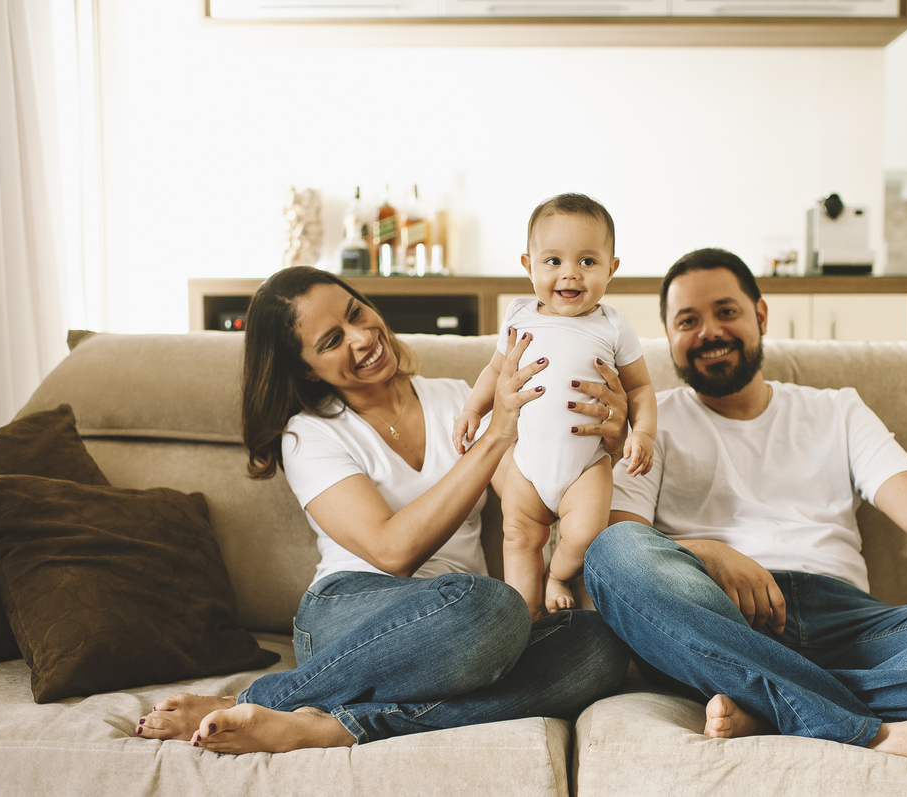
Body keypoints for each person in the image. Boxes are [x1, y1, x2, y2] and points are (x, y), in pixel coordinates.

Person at [582, 248, 907, 776]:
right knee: (609, 553)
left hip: (852, 627)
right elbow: (626, 542)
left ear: (760, 314)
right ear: (668, 336)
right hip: (718, 621)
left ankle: (775, 704)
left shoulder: (836, 409)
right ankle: (871, 730)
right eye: (688, 321)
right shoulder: (653, 425)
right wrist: (707, 554)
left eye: (726, 311)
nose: (710, 331)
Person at [135, 266, 630, 754]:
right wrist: (497, 433)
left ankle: (337, 727)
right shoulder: (308, 433)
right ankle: (263, 699)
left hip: (460, 637)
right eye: (331, 341)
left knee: (599, 647)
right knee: (494, 607)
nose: (361, 337)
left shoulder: (456, 399)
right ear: (306, 368)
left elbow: (536, 500)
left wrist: (596, 447)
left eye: (356, 313)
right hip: (352, 613)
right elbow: (394, 551)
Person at [454, 194, 657, 621]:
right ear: (528, 266)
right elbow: (495, 371)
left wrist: (642, 433)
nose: (570, 273)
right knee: (519, 536)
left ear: (611, 268)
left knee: (585, 534)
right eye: (553, 261)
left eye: (587, 261)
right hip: (526, 465)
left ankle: (557, 576)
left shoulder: (613, 325)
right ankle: (523, 619)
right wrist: (474, 409)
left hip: (587, 466)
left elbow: (640, 388)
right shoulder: (518, 315)